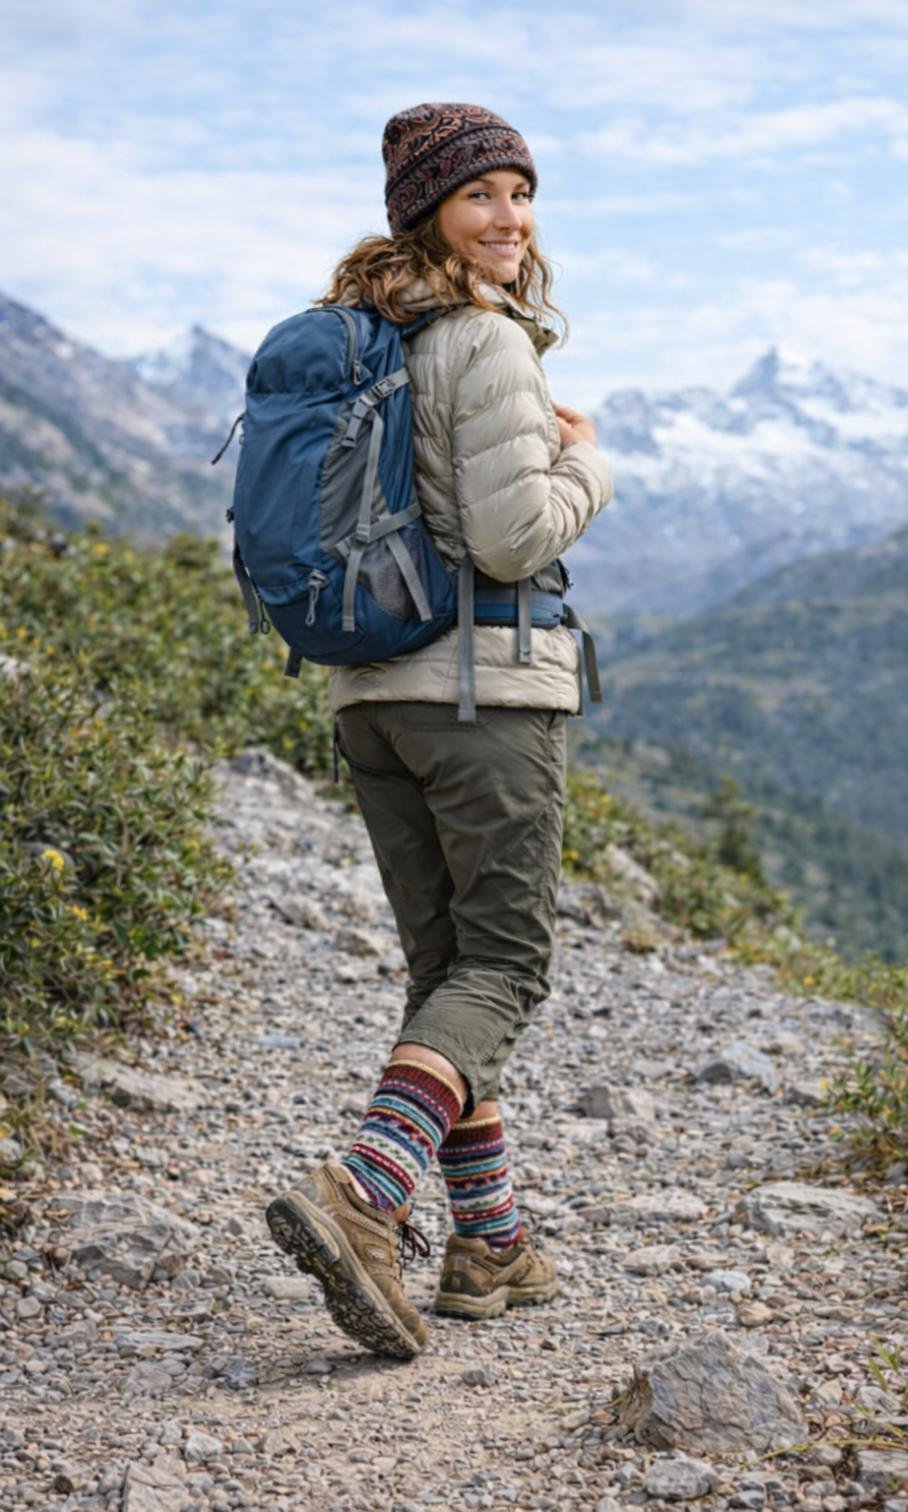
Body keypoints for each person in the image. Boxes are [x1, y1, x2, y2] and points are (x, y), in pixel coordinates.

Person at [266, 102, 613, 1359]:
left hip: (371, 696)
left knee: (446, 978)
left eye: (522, 192)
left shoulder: (371, 334)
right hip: (482, 695)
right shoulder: (485, 340)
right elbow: (514, 540)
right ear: (429, 211)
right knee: (506, 969)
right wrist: (593, 466)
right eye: (481, 195)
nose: (510, 218)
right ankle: (365, 1192)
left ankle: (491, 1245)